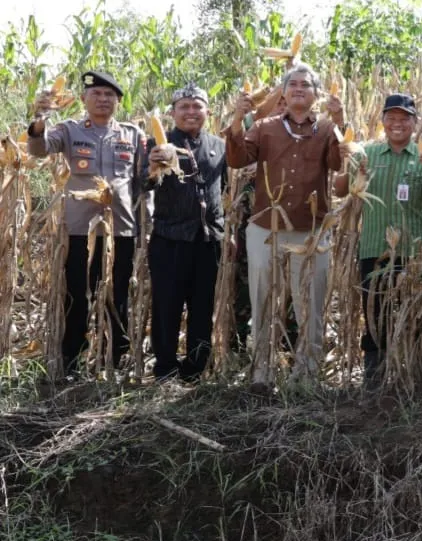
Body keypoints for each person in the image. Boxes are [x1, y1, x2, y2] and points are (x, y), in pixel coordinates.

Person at [227, 61, 346, 386]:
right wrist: (238, 118)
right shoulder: (264, 127)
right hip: (266, 229)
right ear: (283, 90)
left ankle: (306, 375)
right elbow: (237, 159)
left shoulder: (325, 129)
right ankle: (262, 373)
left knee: (310, 305)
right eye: (292, 84)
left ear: (316, 94)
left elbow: (339, 163)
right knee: (263, 301)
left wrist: (340, 121)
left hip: (312, 231)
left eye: (305, 85)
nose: (298, 89)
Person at [27, 70, 145, 376]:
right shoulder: (69, 130)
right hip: (79, 231)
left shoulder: (133, 135)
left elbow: (145, 181)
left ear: (118, 101)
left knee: (117, 294)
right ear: (84, 99)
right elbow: (39, 149)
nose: (103, 100)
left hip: (119, 231)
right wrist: (39, 119)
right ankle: (72, 361)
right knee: (77, 294)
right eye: (97, 94)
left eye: (110, 95)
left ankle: (114, 360)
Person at [335, 94, 422, 386]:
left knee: (417, 313)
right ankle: (375, 377)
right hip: (374, 248)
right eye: (391, 117)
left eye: (404, 118)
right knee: (376, 315)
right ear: (382, 121)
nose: (397, 123)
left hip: (413, 250)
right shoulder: (366, 153)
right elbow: (341, 190)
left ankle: (417, 374)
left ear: (415, 123)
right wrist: (345, 163)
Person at [144, 83, 226, 383]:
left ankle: (195, 369)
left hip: (208, 240)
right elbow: (143, 185)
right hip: (170, 239)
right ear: (173, 113)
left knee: (203, 307)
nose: (191, 112)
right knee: (167, 305)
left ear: (207, 111)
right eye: (184, 107)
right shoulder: (155, 145)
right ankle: (165, 368)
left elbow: (225, 188)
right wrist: (153, 167)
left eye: (197, 106)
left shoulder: (219, 146)